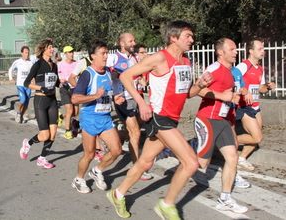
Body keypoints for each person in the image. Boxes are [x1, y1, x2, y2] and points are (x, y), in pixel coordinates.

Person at [106, 21, 212, 219]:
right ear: (173, 38)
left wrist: (199, 84)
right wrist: (142, 103)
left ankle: (117, 194)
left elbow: (186, 93)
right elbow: (126, 76)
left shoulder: (185, 62)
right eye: (187, 36)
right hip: (159, 117)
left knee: (145, 162)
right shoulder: (160, 57)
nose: (192, 40)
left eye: (191, 36)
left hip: (171, 120)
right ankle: (166, 204)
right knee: (190, 162)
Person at [194, 38, 248, 214]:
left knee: (232, 157)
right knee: (202, 163)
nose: (236, 52)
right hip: (208, 119)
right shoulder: (214, 69)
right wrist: (222, 96)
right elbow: (197, 90)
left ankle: (225, 198)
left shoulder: (230, 72)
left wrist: (234, 97)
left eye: (236, 49)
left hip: (223, 120)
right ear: (221, 52)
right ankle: (179, 149)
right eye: (231, 49)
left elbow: (227, 94)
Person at [71, 38, 124, 194]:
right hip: (90, 118)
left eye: (107, 53)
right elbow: (75, 98)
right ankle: (79, 179)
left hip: (105, 118)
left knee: (116, 150)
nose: (106, 56)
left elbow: (106, 93)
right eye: (103, 53)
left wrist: (115, 99)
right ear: (93, 56)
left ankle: (97, 171)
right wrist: (94, 96)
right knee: (89, 154)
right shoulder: (87, 74)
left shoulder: (107, 72)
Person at [107, 33, 152, 180]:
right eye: (130, 41)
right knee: (136, 133)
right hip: (122, 99)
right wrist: (112, 84)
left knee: (133, 130)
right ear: (121, 43)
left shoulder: (134, 58)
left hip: (135, 97)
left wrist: (141, 81)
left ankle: (111, 138)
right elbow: (103, 74)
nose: (134, 43)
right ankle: (137, 168)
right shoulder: (113, 58)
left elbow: (137, 75)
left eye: (134, 40)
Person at [235, 39, 276, 171]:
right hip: (244, 106)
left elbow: (260, 89)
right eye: (260, 49)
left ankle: (241, 158)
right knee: (257, 136)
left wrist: (268, 87)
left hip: (256, 106)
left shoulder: (260, 69)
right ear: (251, 51)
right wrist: (243, 90)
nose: (263, 51)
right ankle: (224, 140)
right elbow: (233, 78)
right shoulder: (244, 65)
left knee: (257, 137)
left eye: (263, 49)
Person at [19, 38, 60, 169]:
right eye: (50, 47)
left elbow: (57, 82)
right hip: (41, 101)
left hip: (52, 100)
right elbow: (26, 83)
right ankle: (28, 143)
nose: (52, 49)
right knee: (44, 135)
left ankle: (42, 158)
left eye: (52, 47)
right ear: (43, 50)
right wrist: (40, 88)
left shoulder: (54, 65)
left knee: (53, 134)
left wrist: (68, 84)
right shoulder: (37, 65)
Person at [58, 45, 79, 139]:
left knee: (76, 112)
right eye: (69, 52)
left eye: (72, 52)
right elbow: (56, 77)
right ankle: (67, 131)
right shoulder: (60, 65)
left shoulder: (77, 63)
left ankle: (62, 116)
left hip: (75, 89)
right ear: (65, 54)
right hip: (65, 89)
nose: (71, 54)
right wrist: (59, 81)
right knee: (70, 110)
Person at [8, 46, 33, 124]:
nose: (27, 54)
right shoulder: (18, 62)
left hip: (28, 85)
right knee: (22, 99)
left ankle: (21, 115)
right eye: (26, 52)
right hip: (20, 84)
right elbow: (10, 69)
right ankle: (18, 112)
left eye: (28, 52)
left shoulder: (31, 62)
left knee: (26, 102)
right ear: (22, 53)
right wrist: (10, 78)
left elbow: (33, 72)